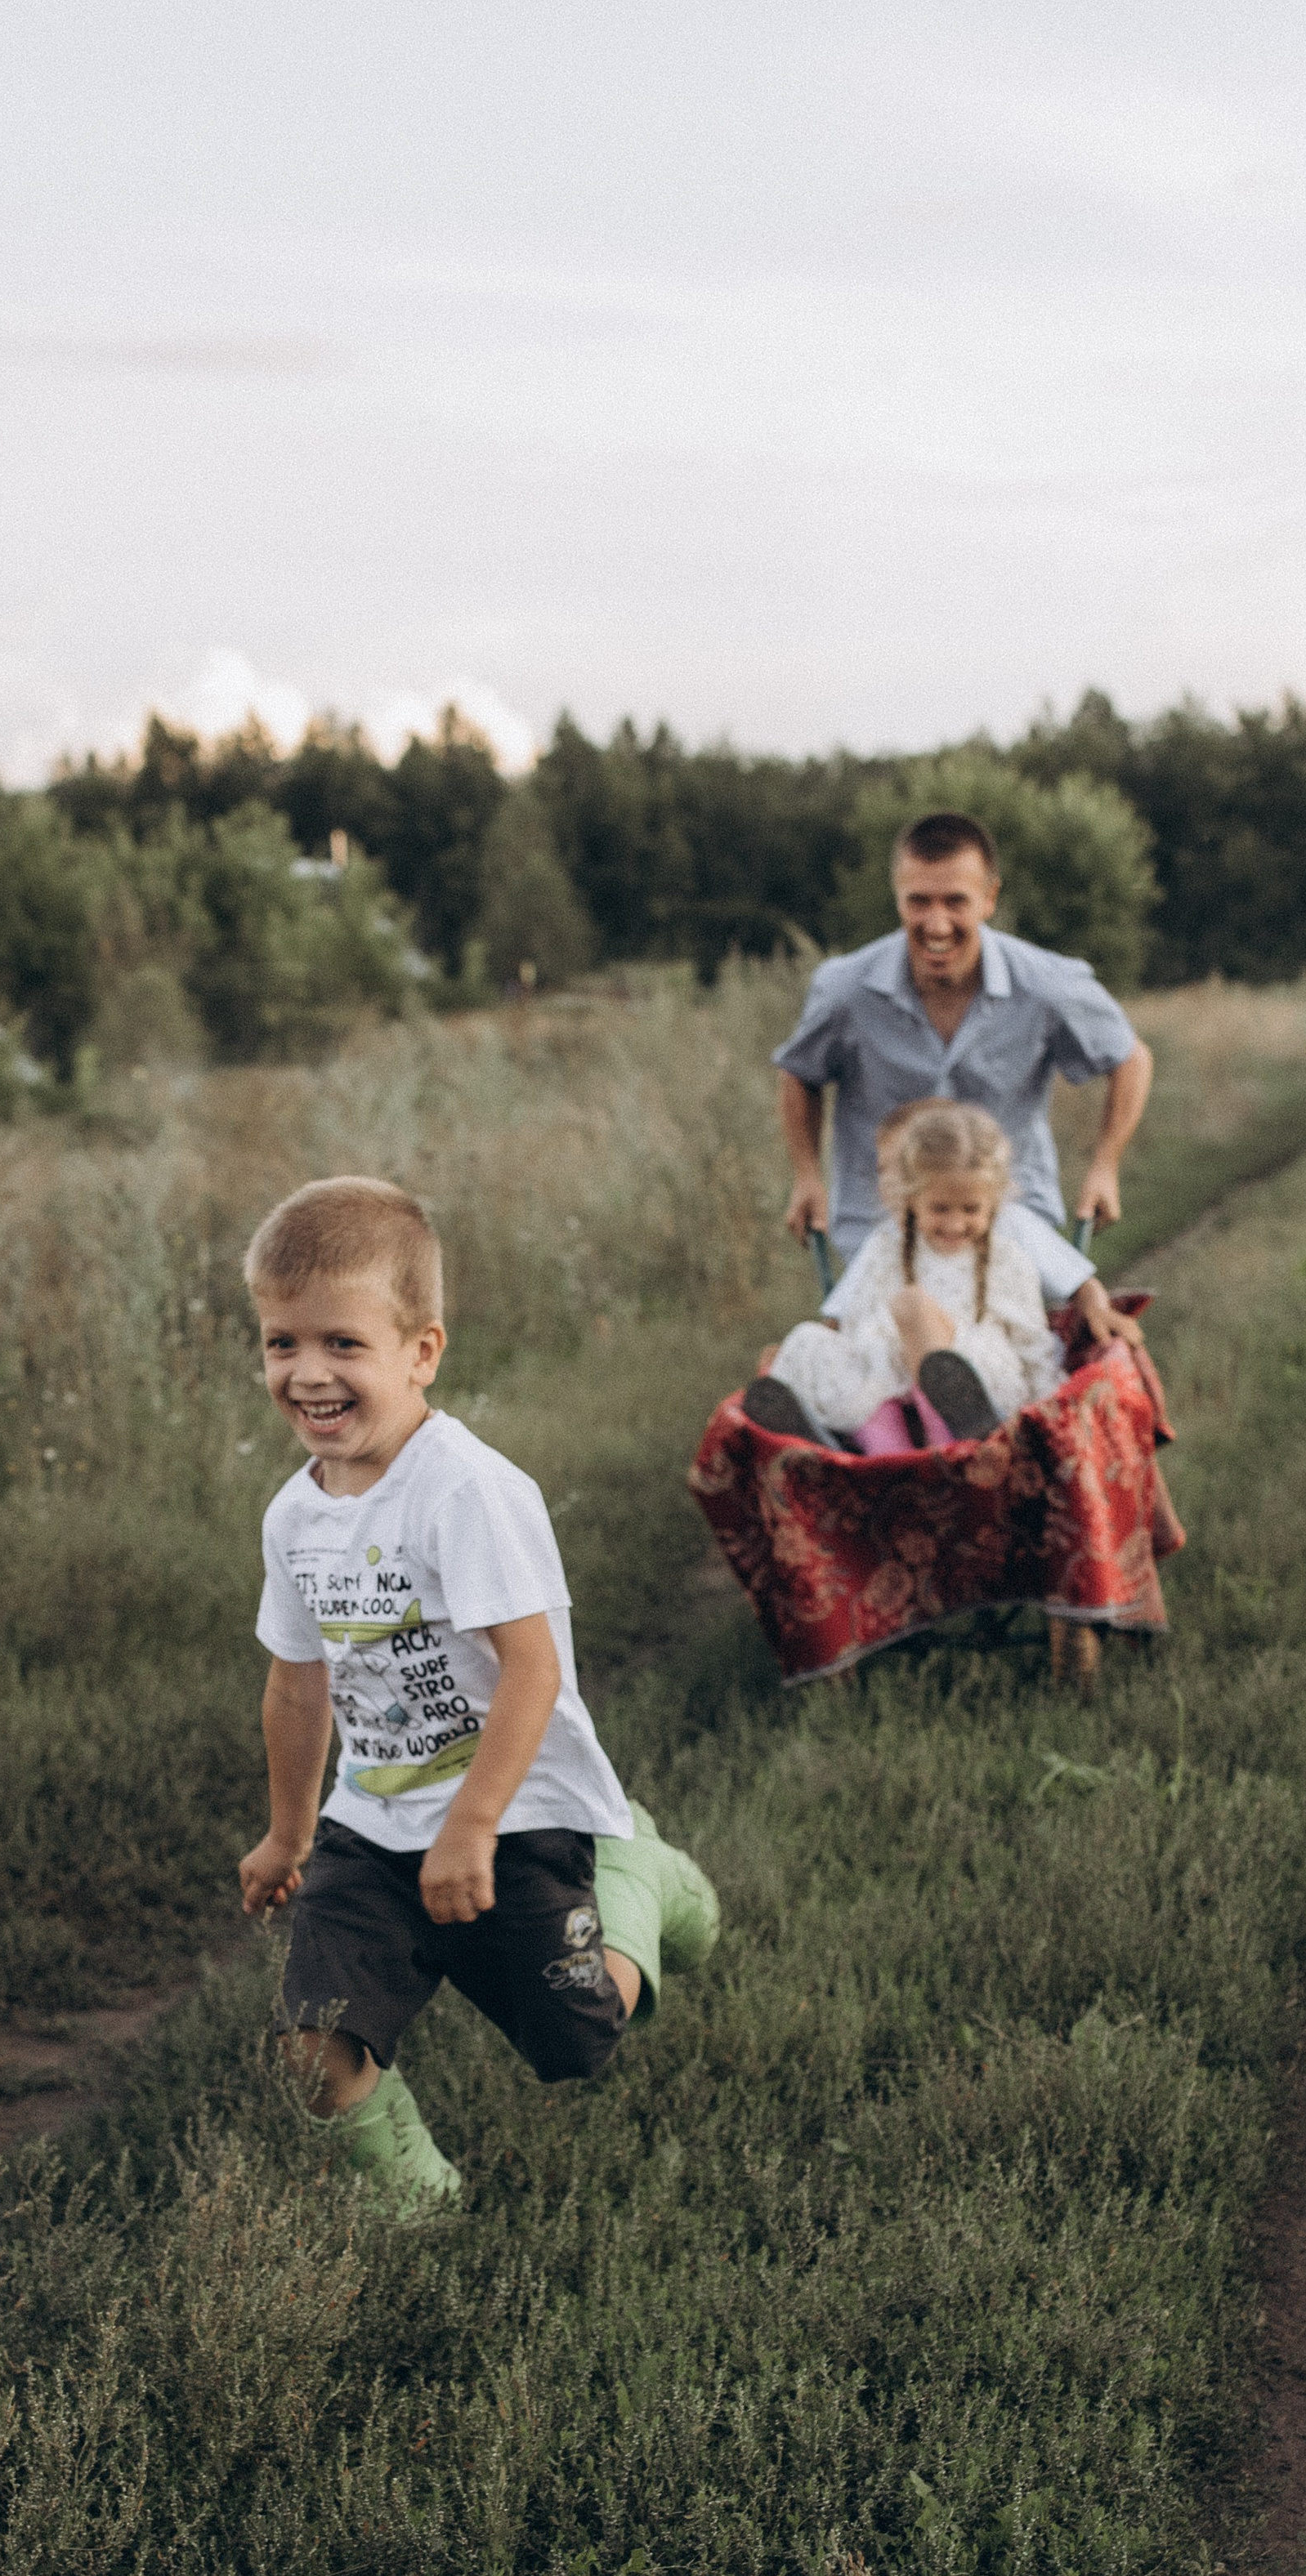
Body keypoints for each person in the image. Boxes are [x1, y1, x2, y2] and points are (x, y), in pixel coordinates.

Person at [236, 1174, 718, 2214]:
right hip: (371, 1825)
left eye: (342, 1344)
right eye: (282, 1342)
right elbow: (297, 1676)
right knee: (314, 2042)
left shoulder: (467, 1491)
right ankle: (421, 2207)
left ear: (422, 1351)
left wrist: (472, 1827)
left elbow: (535, 1669)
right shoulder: (294, 1516)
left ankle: (636, 1871)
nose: (307, 1373)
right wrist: (288, 1835)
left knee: (576, 2040)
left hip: (514, 1811)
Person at [772, 809, 1153, 1342]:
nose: (936, 923)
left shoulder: (1046, 985)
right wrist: (807, 1175)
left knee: (1000, 1336)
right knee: (882, 1338)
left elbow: (1129, 1058)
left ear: (990, 897)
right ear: (897, 897)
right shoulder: (847, 990)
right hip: (882, 1214)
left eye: (955, 901)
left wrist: (1105, 1166)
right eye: (918, 901)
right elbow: (799, 1073)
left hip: (1005, 1211)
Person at [746, 1100, 1060, 1450]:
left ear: (995, 1203)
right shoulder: (884, 1250)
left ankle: (948, 1436)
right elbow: (855, 1327)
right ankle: (883, 1450)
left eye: (971, 1210)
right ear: (911, 1199)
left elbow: (1033, 1342)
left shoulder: (1005, 1258)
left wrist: (1048, 1408)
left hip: (979, 1379)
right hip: (890, 1381)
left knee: (913, 1311)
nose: (955, 1224)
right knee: (808, 1341)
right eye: (940, 1209)